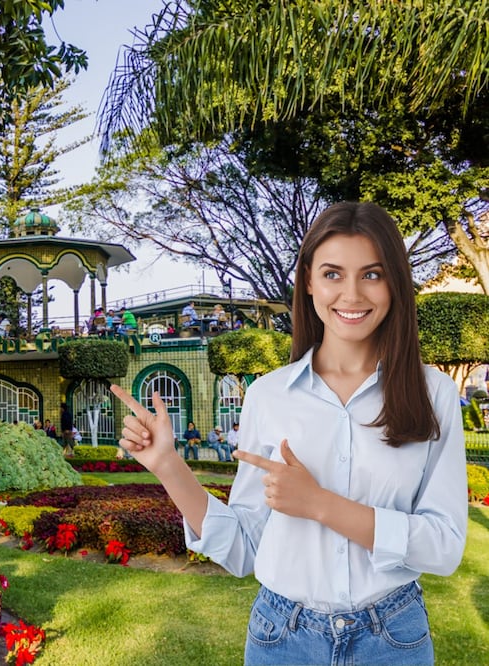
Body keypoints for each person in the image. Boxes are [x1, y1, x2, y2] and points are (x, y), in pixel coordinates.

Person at [110, 201, 467, 665]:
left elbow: (443, 546)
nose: (352, 294)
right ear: (309, 282)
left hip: (393, 638)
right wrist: (167, 465)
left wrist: (319, 504)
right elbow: (244, 549)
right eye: (333, 274)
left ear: (395, 282)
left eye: (372, 274)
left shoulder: (432, 393)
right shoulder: (269, 395)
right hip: (284, 639)